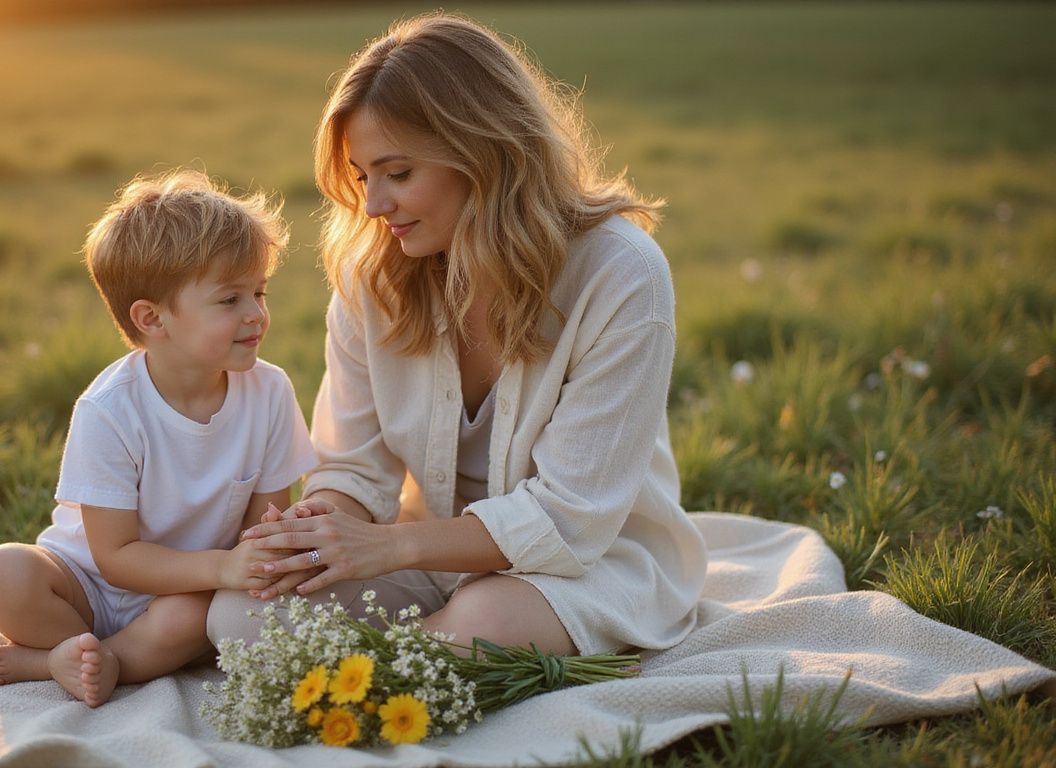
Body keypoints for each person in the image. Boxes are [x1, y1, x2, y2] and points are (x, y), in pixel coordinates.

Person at [208, 13, 707, 658]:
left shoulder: (621, 274)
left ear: (483, 153)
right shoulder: (373, 276)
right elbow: (354, 465)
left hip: (587, 562)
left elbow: (571, 518)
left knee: (486, 621)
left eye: (399, 173)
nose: (373, 206)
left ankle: (380, 677)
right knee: (240, 615)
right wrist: (318, 529)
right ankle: (410, 666)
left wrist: (387, 548)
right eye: (363, 176)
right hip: (426, 544)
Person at [0, 169, 317, 706]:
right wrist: (222, 566)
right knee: (3, 572)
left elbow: (263, 528)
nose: (256, 314)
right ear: (152, 319)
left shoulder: (269, 392)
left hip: (187, 593)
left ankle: (78, 662)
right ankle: (63, 654)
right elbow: (115, 556)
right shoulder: (110, 410)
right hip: (86, 583)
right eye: (229, 300)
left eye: (259, 292)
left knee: (198, 618)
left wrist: (262, 555)